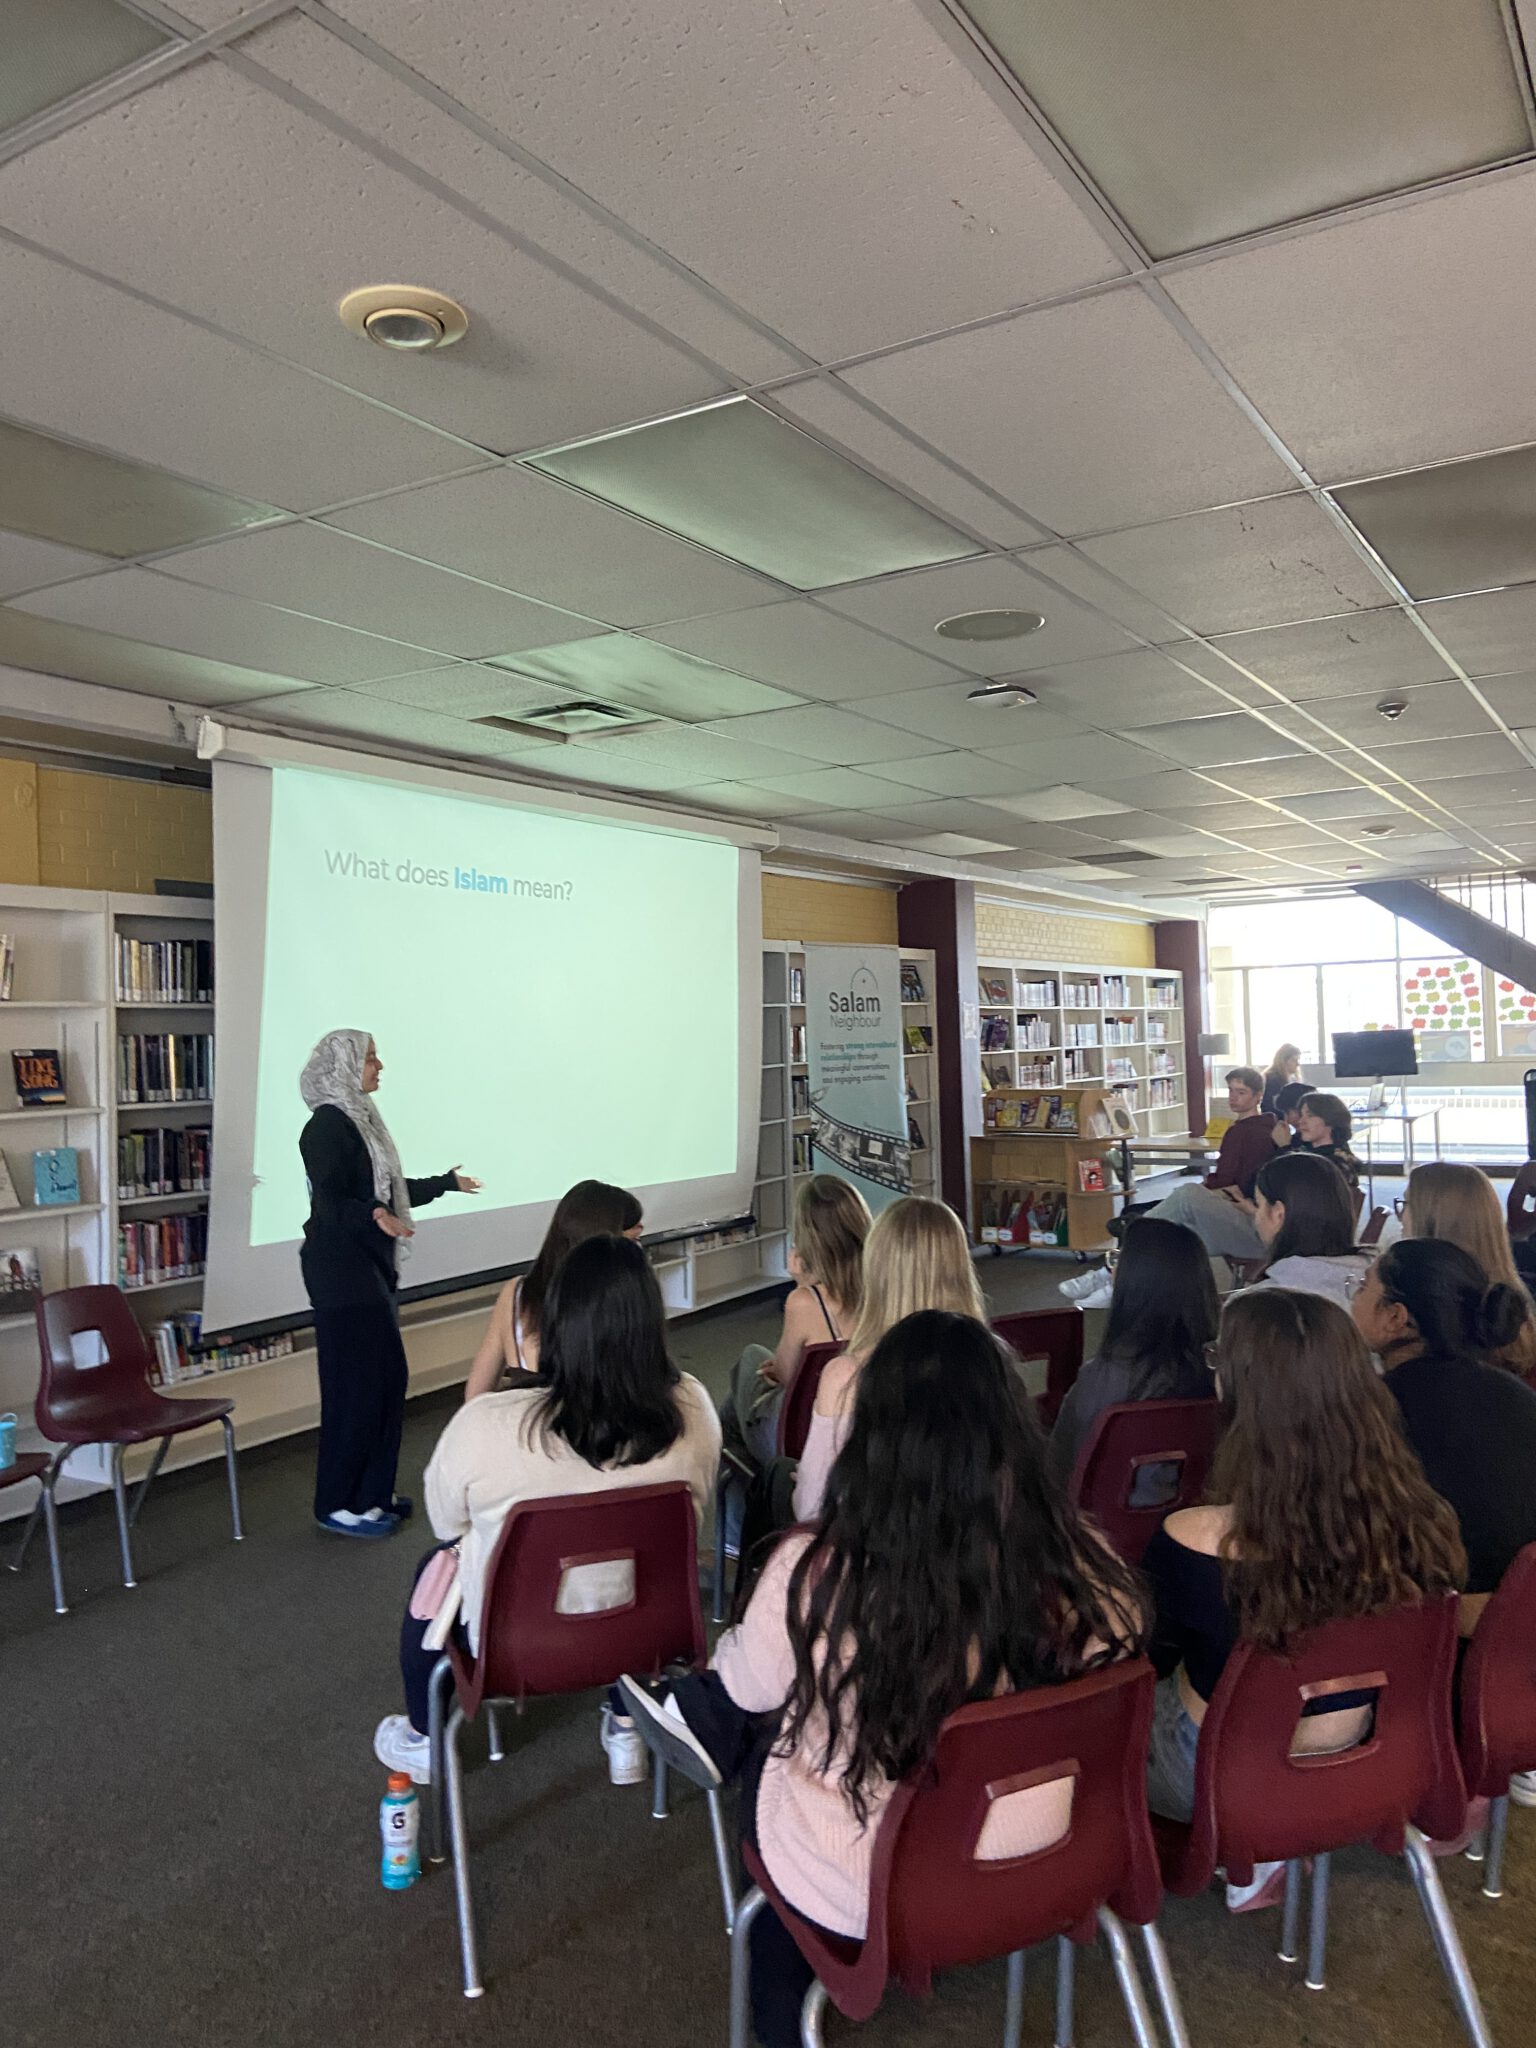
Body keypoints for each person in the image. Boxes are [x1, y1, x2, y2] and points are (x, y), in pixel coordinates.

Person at [615, 1312, 1147, 2048]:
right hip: (1052, 1855)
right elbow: (1117, 1653)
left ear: (876, 1438)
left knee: (765, 1742)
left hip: (863, 1885)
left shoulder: (814, 1573)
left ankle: (784, 1998)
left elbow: (743, 1686)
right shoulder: (1081, 1560)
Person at [1144, 1289, 1466, 1910]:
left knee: (1101, 1709)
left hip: (1214, 1774)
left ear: (1237, 1392)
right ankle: (1274, 1843)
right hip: (1372, 1754)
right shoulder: (1423, 1520)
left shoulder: (1193, 1539)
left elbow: (1146, 1659)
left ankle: (1248, 1847)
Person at [373, 1234, 721, 1787]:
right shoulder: (695, 1408)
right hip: (655, 1634)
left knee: (434, 1568)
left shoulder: (486, 1424)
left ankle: (423, 1738)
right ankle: (628, 1719)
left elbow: (446, 1524)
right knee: (627, 1558)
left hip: (512, 1651)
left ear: (555, 1324)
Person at [298, 1029, 480, 1539]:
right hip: (339, 1272)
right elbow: (332, 1204)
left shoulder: (364, 1122)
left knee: (385, 1381)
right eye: (371, 1058)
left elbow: (390, 1194)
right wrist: (374, 1213)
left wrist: (444, 1183)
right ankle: (339, 1503)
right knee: (355, 1388)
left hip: (369, 1268)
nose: (380, 1067)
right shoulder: (325, 1127)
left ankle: (373, 1495)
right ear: (345, 1065)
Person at [1350, 1237, 1536, 1634]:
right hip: (1519, 1640)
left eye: (1364, 1287)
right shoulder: (1520, 1395)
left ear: (1396, 1318)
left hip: (1426, 1638)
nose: (1354, 1299)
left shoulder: (1371, 1410)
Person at [792, 1195, 985, 1521]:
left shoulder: (848, 1376)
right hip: (973, 1548)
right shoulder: (993, 1361)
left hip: (872, 1554)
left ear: (876, 1271)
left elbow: (813, 1509)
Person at [1049, 1217, 1217, 1492]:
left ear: (1133, 1284)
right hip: (1196, 1522)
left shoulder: (1102, 1378)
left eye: (1117, 1262)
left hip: (1102, 1527)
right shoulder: (1224, 1368)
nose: (1112, 1271)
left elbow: (1059, 1470)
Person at [720, 1173, 870, 1469]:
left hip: (804, 1436)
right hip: (867, 1431)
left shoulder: (804, 1302)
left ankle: (744, 1490)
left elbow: (788, 1378)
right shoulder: (887, 1287)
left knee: (749, 1361)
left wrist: (802, 1284)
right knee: (735, 1403)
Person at [461, 1179, 644, 1399]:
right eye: (634, 1239)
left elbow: (476, 1395)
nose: (639, 1249)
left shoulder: (517, 1294)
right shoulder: (625, 1297)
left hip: (523, 1429)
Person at [1400, 1161, 1536, 1378]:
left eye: (1405, 1204)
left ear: (1430, 1219)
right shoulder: (1517, 1306)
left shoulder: (1416, 1305)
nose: (1401, 1215)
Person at [1135, 1067, 1276, 1264]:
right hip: (1244, 1208)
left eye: (1241, 1092)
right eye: (1230, 1090)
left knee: (1183, 1203)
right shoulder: (1262, 1127)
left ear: (1258, 1096)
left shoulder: (1249, 1133)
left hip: (1246, 1212)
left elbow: (1228, 1182)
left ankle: (1130, 1239)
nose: (1233, 1097)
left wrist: (1207, 1189)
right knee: (1171, 1234)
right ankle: (1117, 1268)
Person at [1234, 1151, 1372, 1311]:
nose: (1256, 1216)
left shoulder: (1260, 1305)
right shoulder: (1380, 1287)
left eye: (1258, 1204)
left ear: (1278, 1214)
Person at [1260, 1043, 1303, 1116]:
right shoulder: (1272, 1080)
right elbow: (1271, 1107)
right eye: (1294, 1060)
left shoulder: (1287, 1079)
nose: (1298, 1064)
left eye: (1298, 1060)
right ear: (1283, 1061)